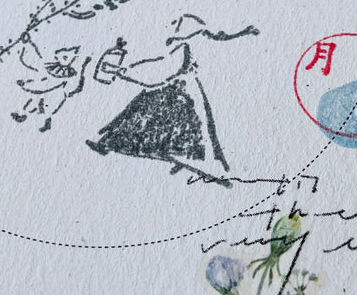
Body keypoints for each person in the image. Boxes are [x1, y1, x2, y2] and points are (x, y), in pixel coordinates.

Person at [86, 14, 258, 187]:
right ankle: (111, 143)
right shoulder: (184, 46)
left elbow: (160, 71)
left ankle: (193, 161)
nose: (172, 31)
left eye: (176, 26)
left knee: (175, 123)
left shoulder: (182, 47)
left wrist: (123, 71)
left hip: (180, 94)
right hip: (173, 92)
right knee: (142, 115)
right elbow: (159, 68)